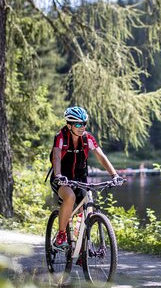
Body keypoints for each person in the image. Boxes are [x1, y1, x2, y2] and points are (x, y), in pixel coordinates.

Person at [51, 106, 124, 247]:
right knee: (70, 197)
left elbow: (101, 156)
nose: (82, 127)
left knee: (87, 204)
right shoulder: (61, 137)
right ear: (69, 125)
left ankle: (82, 244)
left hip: (80, 180)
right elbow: (56, 157)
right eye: (78, 124)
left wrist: (114, 175)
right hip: (62, 179)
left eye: (84, 123)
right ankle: (61, 234)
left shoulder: (87, 138)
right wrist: (58, 175)